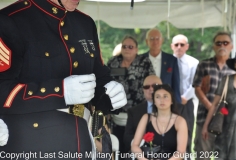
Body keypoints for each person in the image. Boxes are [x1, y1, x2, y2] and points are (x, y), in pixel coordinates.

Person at [0, 0, 127, 159]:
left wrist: (109, 94)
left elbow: (98, 77)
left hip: (82, 141)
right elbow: (3, 90)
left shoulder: (85, 23)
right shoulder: (11, 20)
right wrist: (60, 92)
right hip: (31, 143)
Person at [107, 35, 155, 156]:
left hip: (137, 110)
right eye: (124, 46)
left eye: (130, 47)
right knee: (118, 143)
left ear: (136, 49)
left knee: (134, 141)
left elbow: (151, 81)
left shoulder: (144, 62)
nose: (127, 49)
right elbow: (106, 82)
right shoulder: (113, 61)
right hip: (116, 110)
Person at [192, 31, 235, 160]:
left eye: (225, 43)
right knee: (202, 156)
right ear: (213, 47)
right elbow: (197, 88)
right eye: (218, 43)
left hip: (227, 123)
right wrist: (210, 106)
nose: (222, 45)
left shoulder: (235, 69)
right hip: (204, 119)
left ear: (231, 46)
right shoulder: (204, 65)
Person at [131, 84, 187, 160]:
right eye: (158, 97)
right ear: (154, 101)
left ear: (172, 101)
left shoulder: (180, 121)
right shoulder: (146, 118)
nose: (162, 100)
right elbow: (135, 145)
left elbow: (180, 152)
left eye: (165, 96)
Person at [202, 49, 236, 160]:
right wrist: (205, 126)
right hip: (224, 131)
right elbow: (214, 105)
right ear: (234, 64)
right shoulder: (226, 80)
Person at [171, 34, 199, 156]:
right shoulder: (167, 61)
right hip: (169, 104)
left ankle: (186, 155)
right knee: (170, 132)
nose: (179, 47)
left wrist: (185, 97)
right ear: (172, 46)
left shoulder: (194, 62)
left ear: (187, 46)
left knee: (187, 131)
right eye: (176, 44)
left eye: (182, 45)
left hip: (186, 103)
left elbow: (196, 83)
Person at [124, 75, 162, 152]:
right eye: (147, 87)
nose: (151, 89)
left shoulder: (177, 109)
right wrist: (141, 144)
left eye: (155, 85)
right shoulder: (133, 111)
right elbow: (127, 137)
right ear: (143, 90)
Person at [142, 28, 181, 103]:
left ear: (162, 40)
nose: (155, 41)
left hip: (165, 101)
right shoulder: (140, 59)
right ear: (147, 41)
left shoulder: (172, 60)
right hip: (144, 102)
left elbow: (176, 85)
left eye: (157, 38)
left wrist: (177, 105)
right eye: (152, 39)